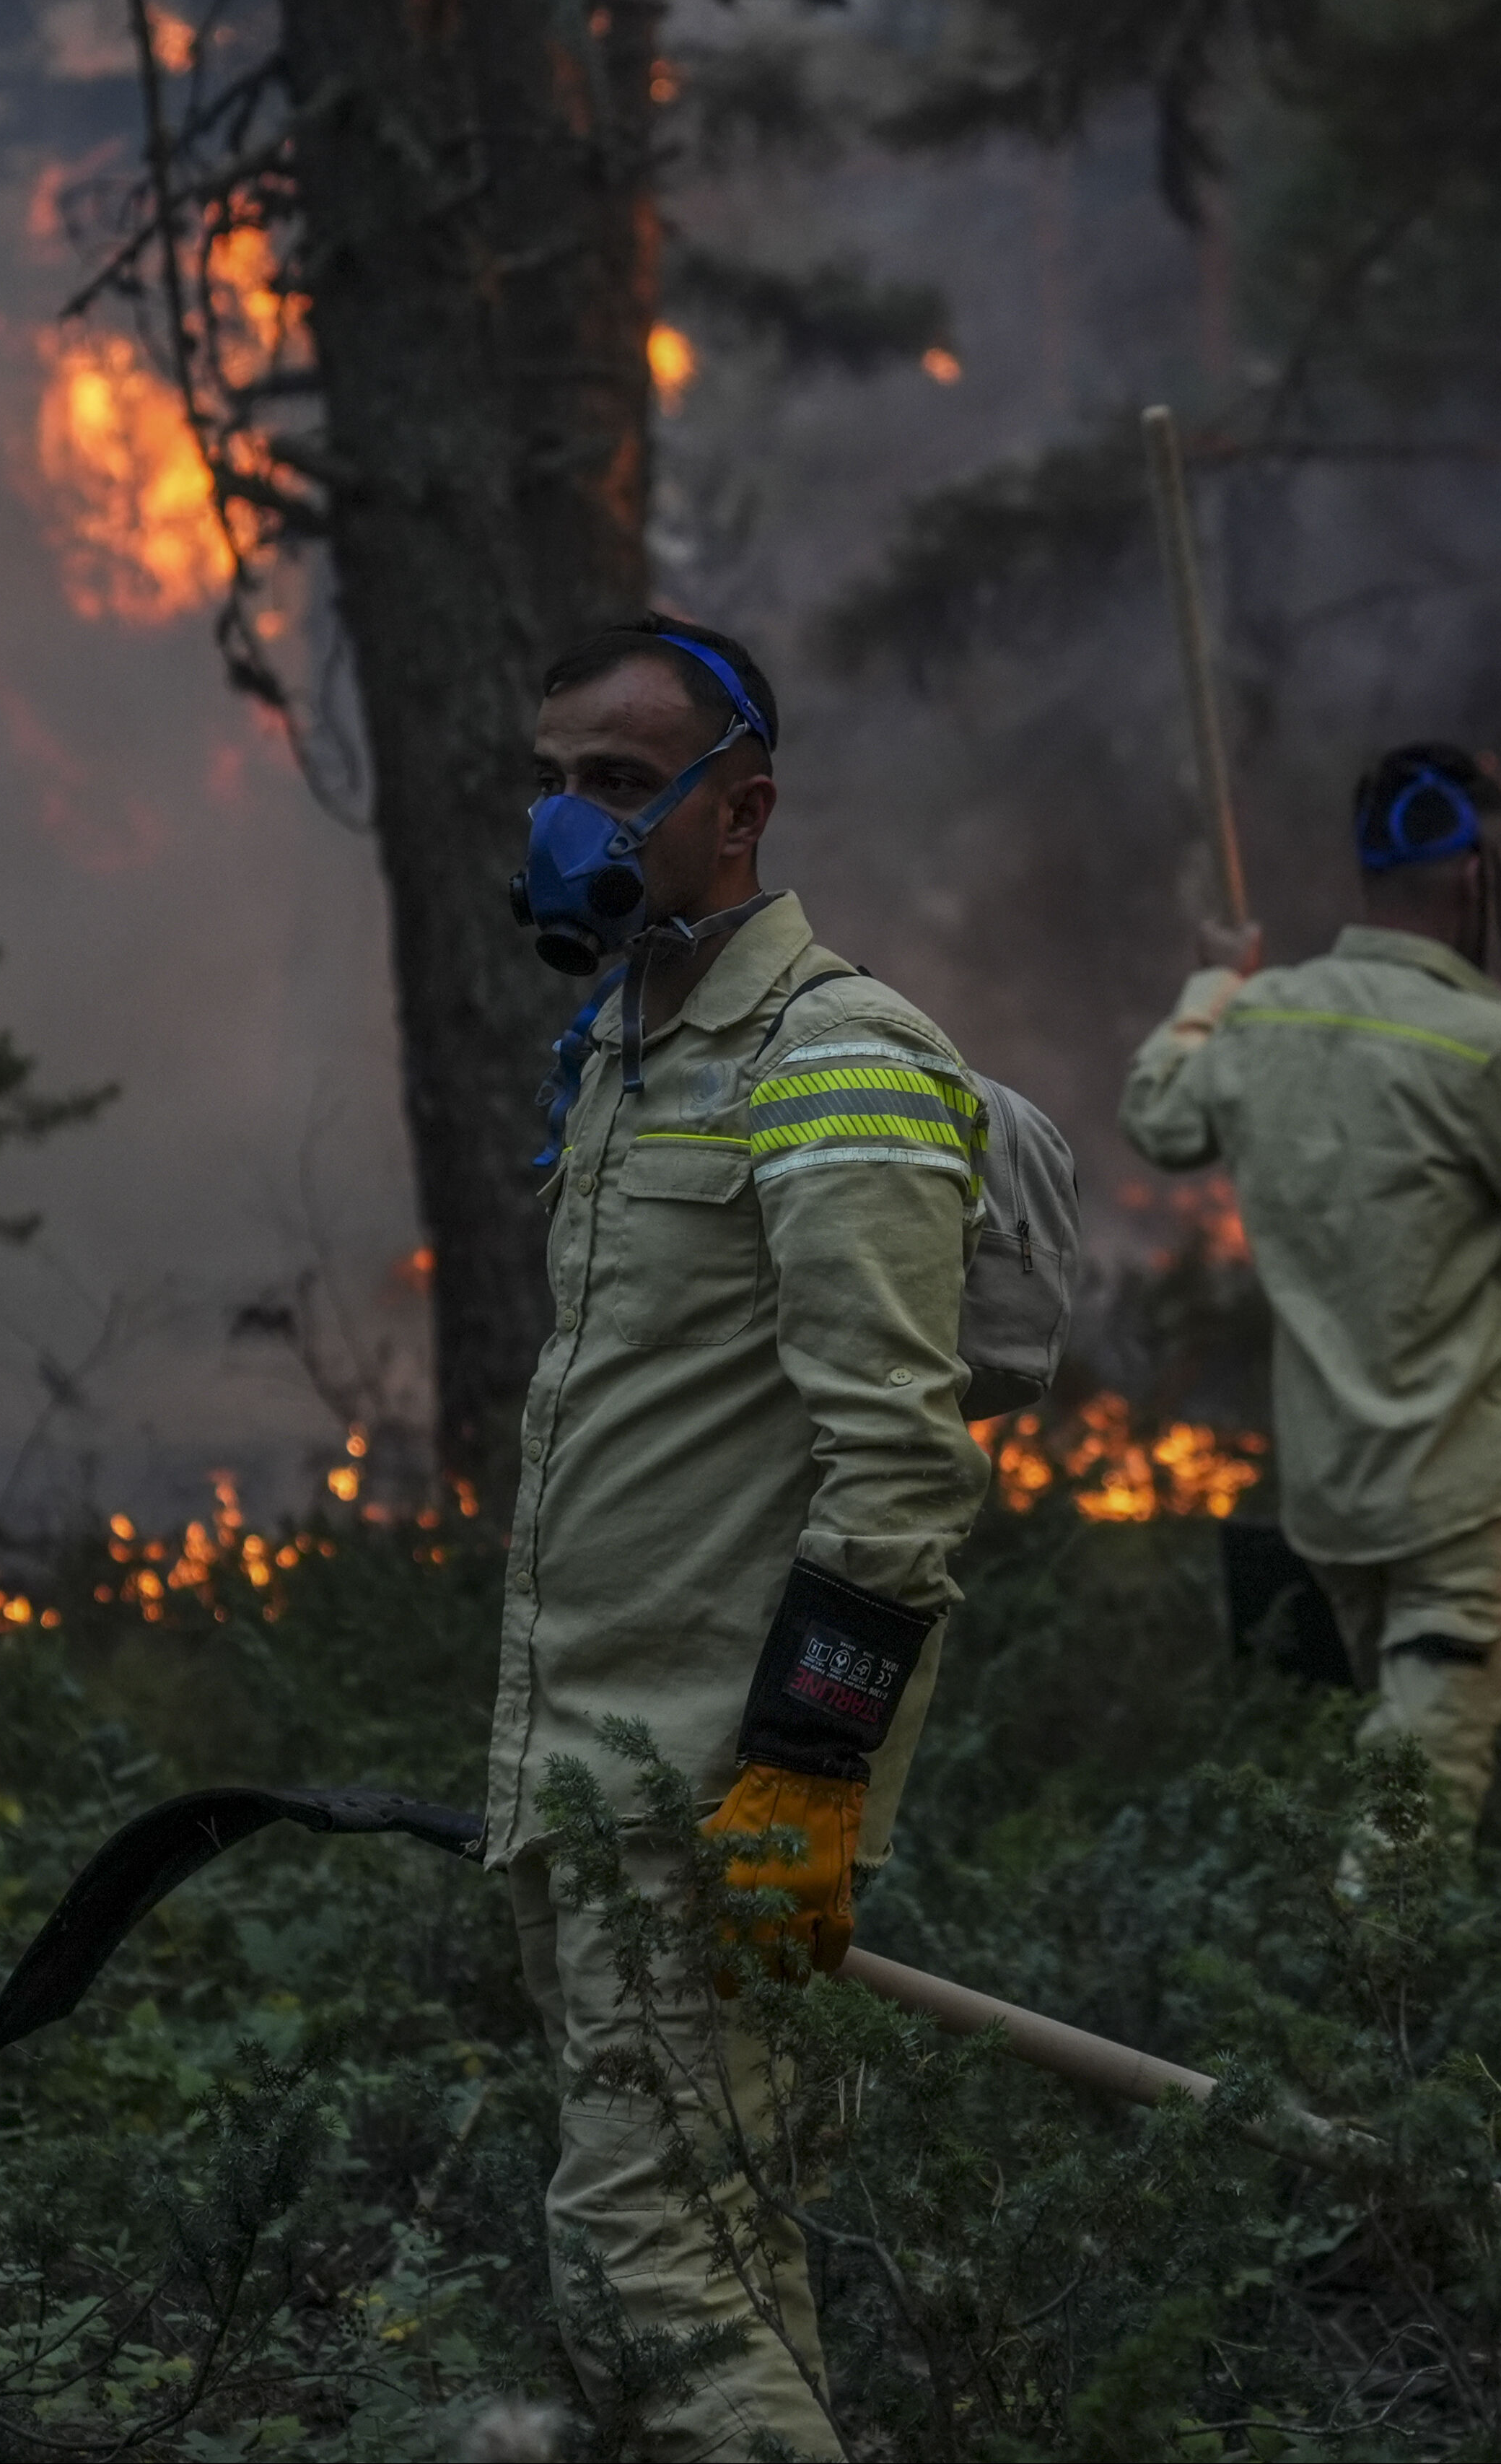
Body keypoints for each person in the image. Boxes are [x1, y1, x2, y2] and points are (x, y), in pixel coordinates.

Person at [481, 614, 989, 2460]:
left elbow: (900, 1470)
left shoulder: (834, 1053)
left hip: (715, 1780)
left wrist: (805, 1776)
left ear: (742, 808)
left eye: (616, 784)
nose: (566, 823)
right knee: (727, 2244)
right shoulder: (621, 1054)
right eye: (548, 783)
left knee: (646, 2265)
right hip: (589, 1766)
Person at [1119, 743, 1501, 1830]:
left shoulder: (1266, 1016)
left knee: (1335, 1790)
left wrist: (1216, 980)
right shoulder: (1489, 1047)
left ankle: (1292, 1981)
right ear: (1473, 876)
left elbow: (1158, 1112)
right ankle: (1370, 1995)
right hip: (1459, 1503)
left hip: (1326, 1499)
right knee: (1410, 1818)